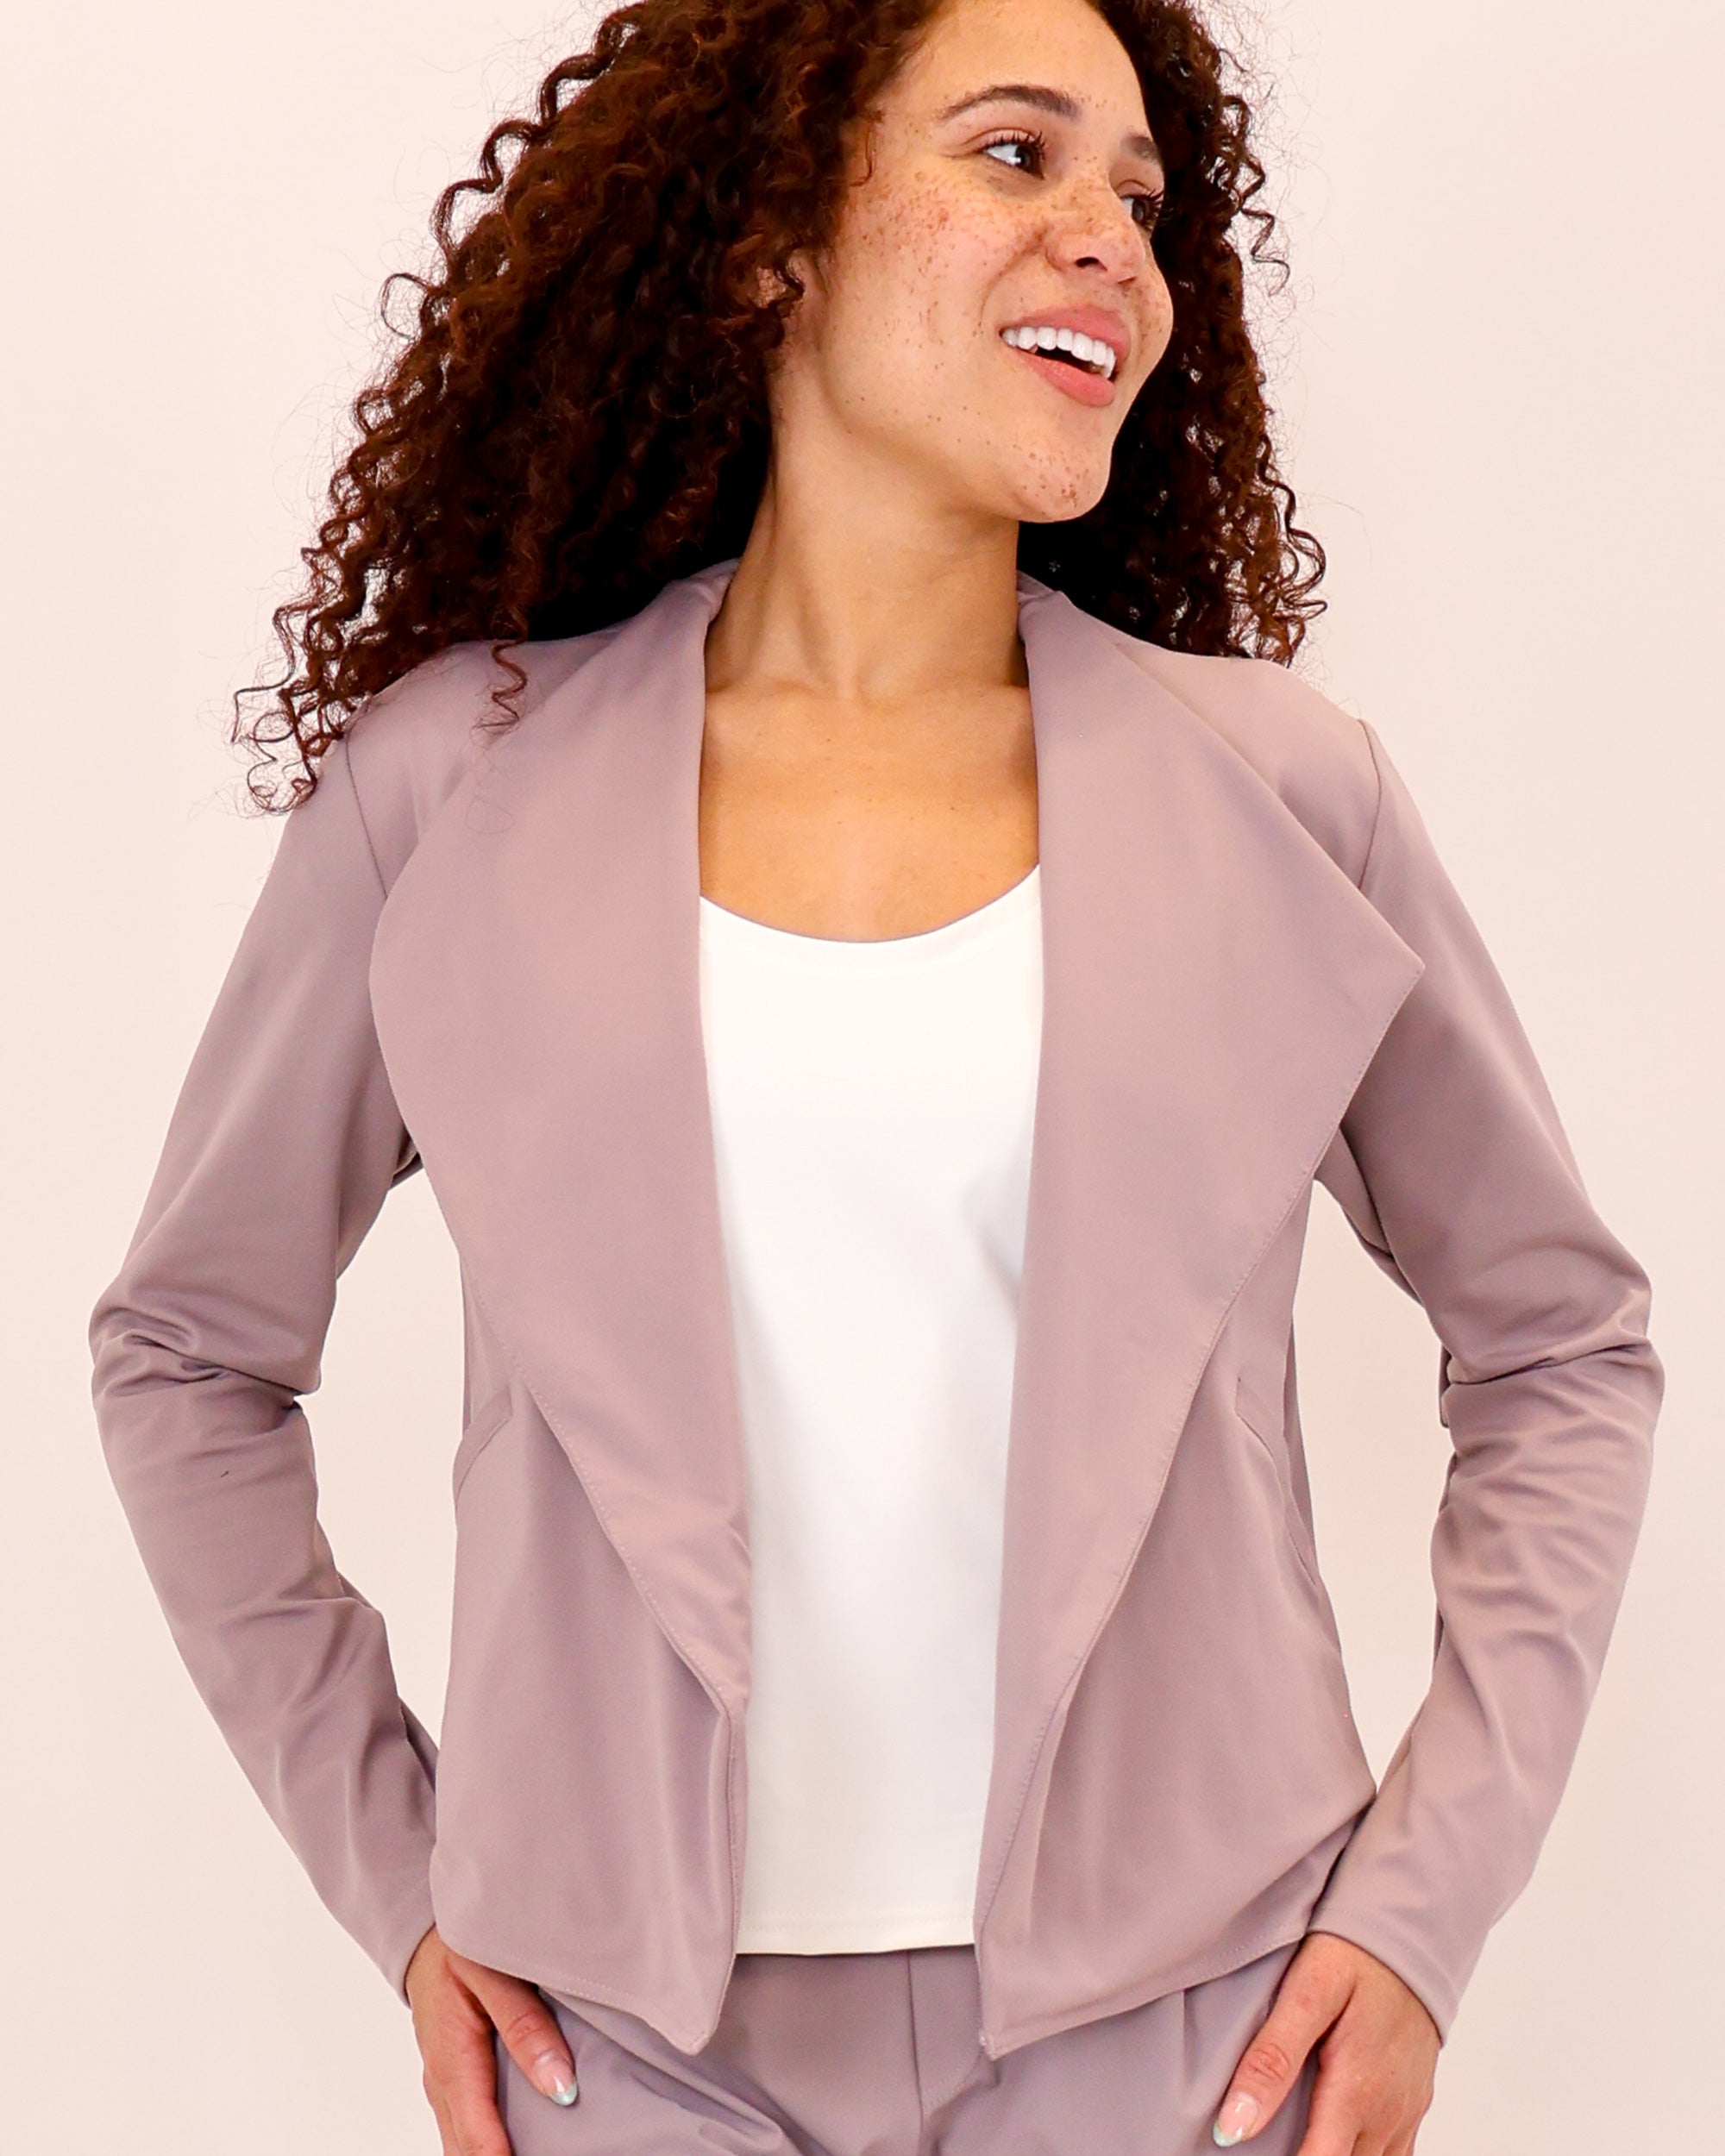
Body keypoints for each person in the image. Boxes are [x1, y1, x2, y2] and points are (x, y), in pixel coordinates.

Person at [86, 1, 1663, 2152]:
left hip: (1193, 2031)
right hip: (617, 2052)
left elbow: (1560, 1337)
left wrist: (1421, 1910)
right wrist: (401, 1872)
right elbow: (187, 1353)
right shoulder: (449, 788)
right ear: (771, 241)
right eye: (1015, 153)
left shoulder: (1285, 795)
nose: (1107, 238)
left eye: (1139, 195)